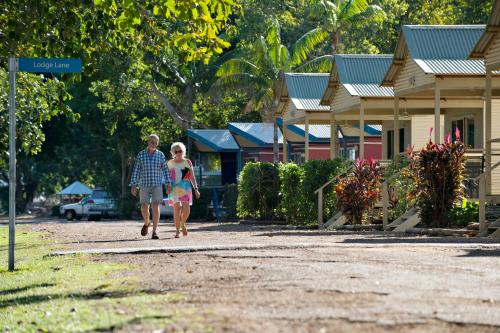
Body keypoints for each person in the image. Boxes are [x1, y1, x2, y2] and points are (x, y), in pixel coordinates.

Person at [130, 134, 171, 239]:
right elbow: (136, 170)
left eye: (156, 142)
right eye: (152, 141)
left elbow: (166, 170)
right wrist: (134, 185)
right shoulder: (141, 155)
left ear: (157, 143)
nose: (153, 144)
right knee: (144, 206)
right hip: (144, 184)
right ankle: (147, 223)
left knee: (156, 206)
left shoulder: (160, 155)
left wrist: (168, 183)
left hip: (157, 184)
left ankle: (154, 231)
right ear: (148, 142)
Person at [167, 142, 200, 238]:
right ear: (173, 152)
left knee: (186, 210)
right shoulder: (170, 163)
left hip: (185, 188)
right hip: (174, 189)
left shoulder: (188, 162)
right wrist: (167, 186)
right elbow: (167, 178)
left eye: (180, 150)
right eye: (176, 151)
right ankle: (177, 231)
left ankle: (182, 224)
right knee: (176, 210)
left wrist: (196, 189)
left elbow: (192, 177)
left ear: (183, 151)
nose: (178, 153)